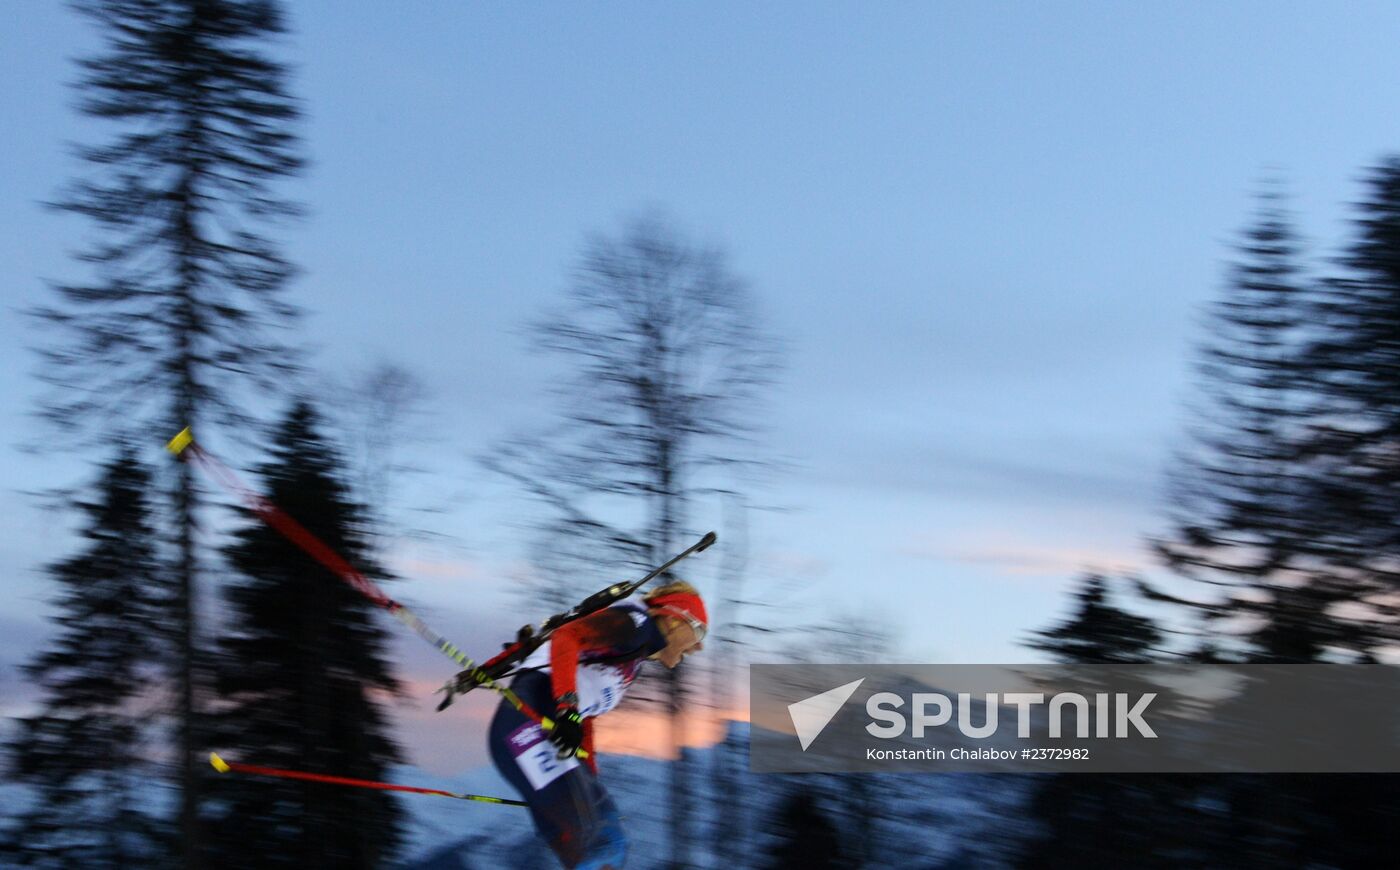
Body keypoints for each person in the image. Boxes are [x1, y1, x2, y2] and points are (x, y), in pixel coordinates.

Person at [487, 579, 707, 869]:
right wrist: (568, 709)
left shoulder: (635, 655)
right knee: (598, 840)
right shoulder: (635, 622)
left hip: (545, 731)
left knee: (606, 839)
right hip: (524, 724)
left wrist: (588, 775)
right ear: (678, 619)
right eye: (700, 631)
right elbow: (566, 637)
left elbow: (584, 716)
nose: (699, 647)